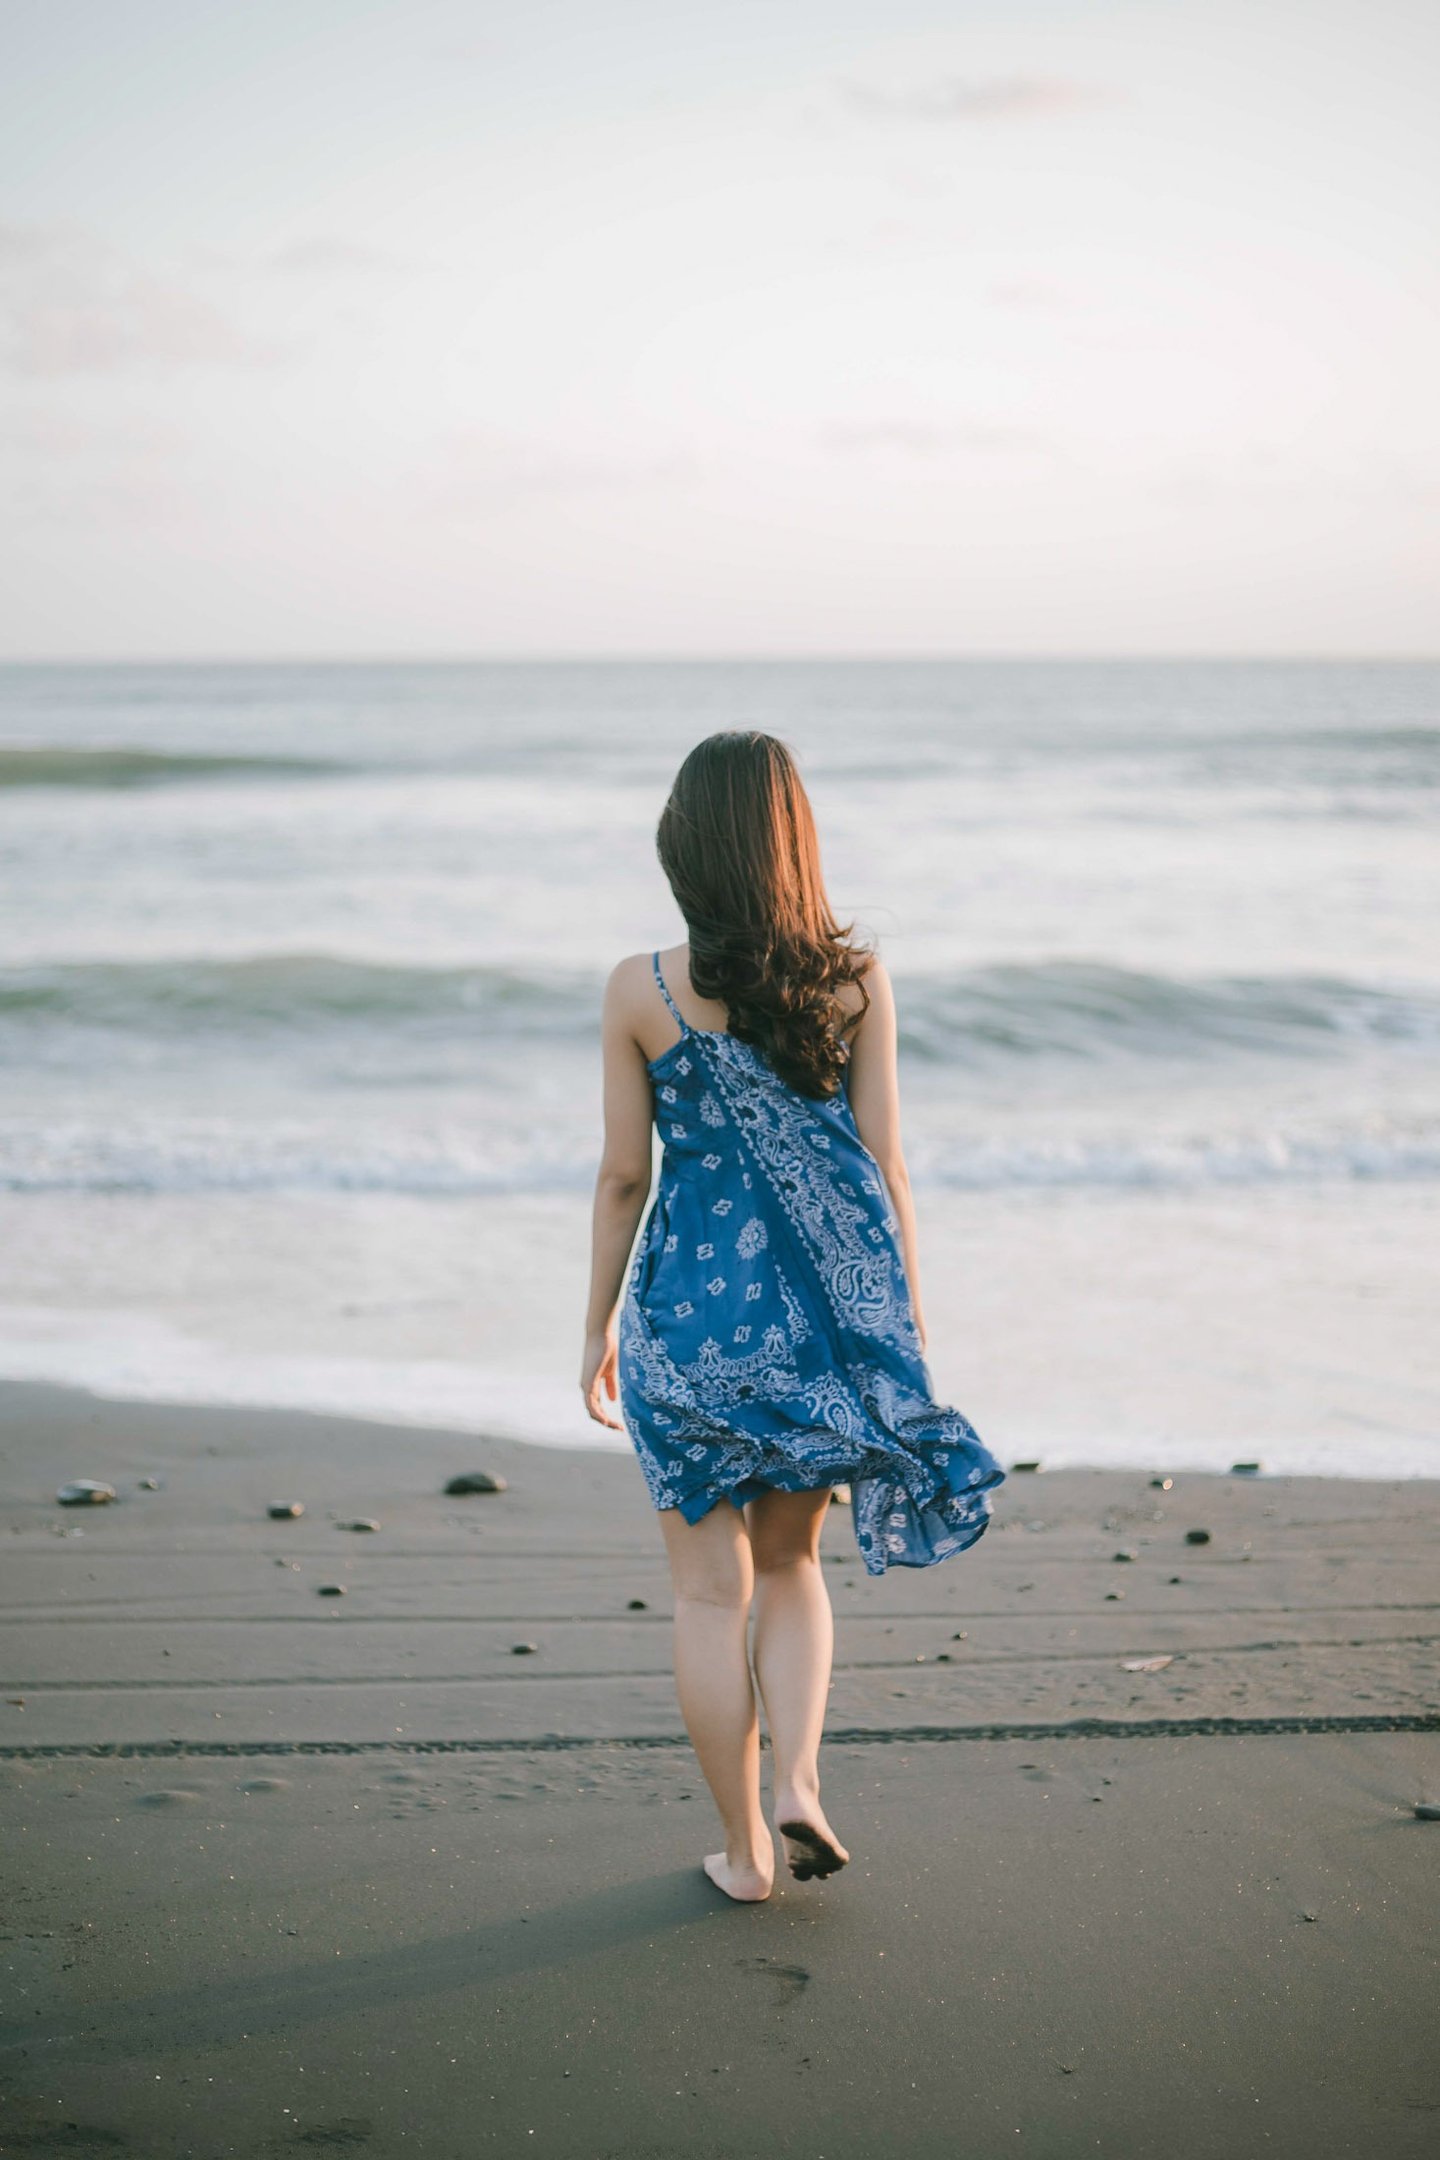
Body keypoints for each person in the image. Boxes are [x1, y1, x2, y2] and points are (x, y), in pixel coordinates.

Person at [580, 731, 1005, 1902]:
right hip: (814, 1329)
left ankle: (745, 1854)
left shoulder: (640, 989)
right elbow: (886, 1165)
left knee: (705, 1592)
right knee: (791, 1563)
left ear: (684, 847)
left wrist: (594, 1327)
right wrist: (903, 1324)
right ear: (794, 842)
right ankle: (799, 1785)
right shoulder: (855, 982)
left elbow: (622, 1179)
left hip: (685, 1325)